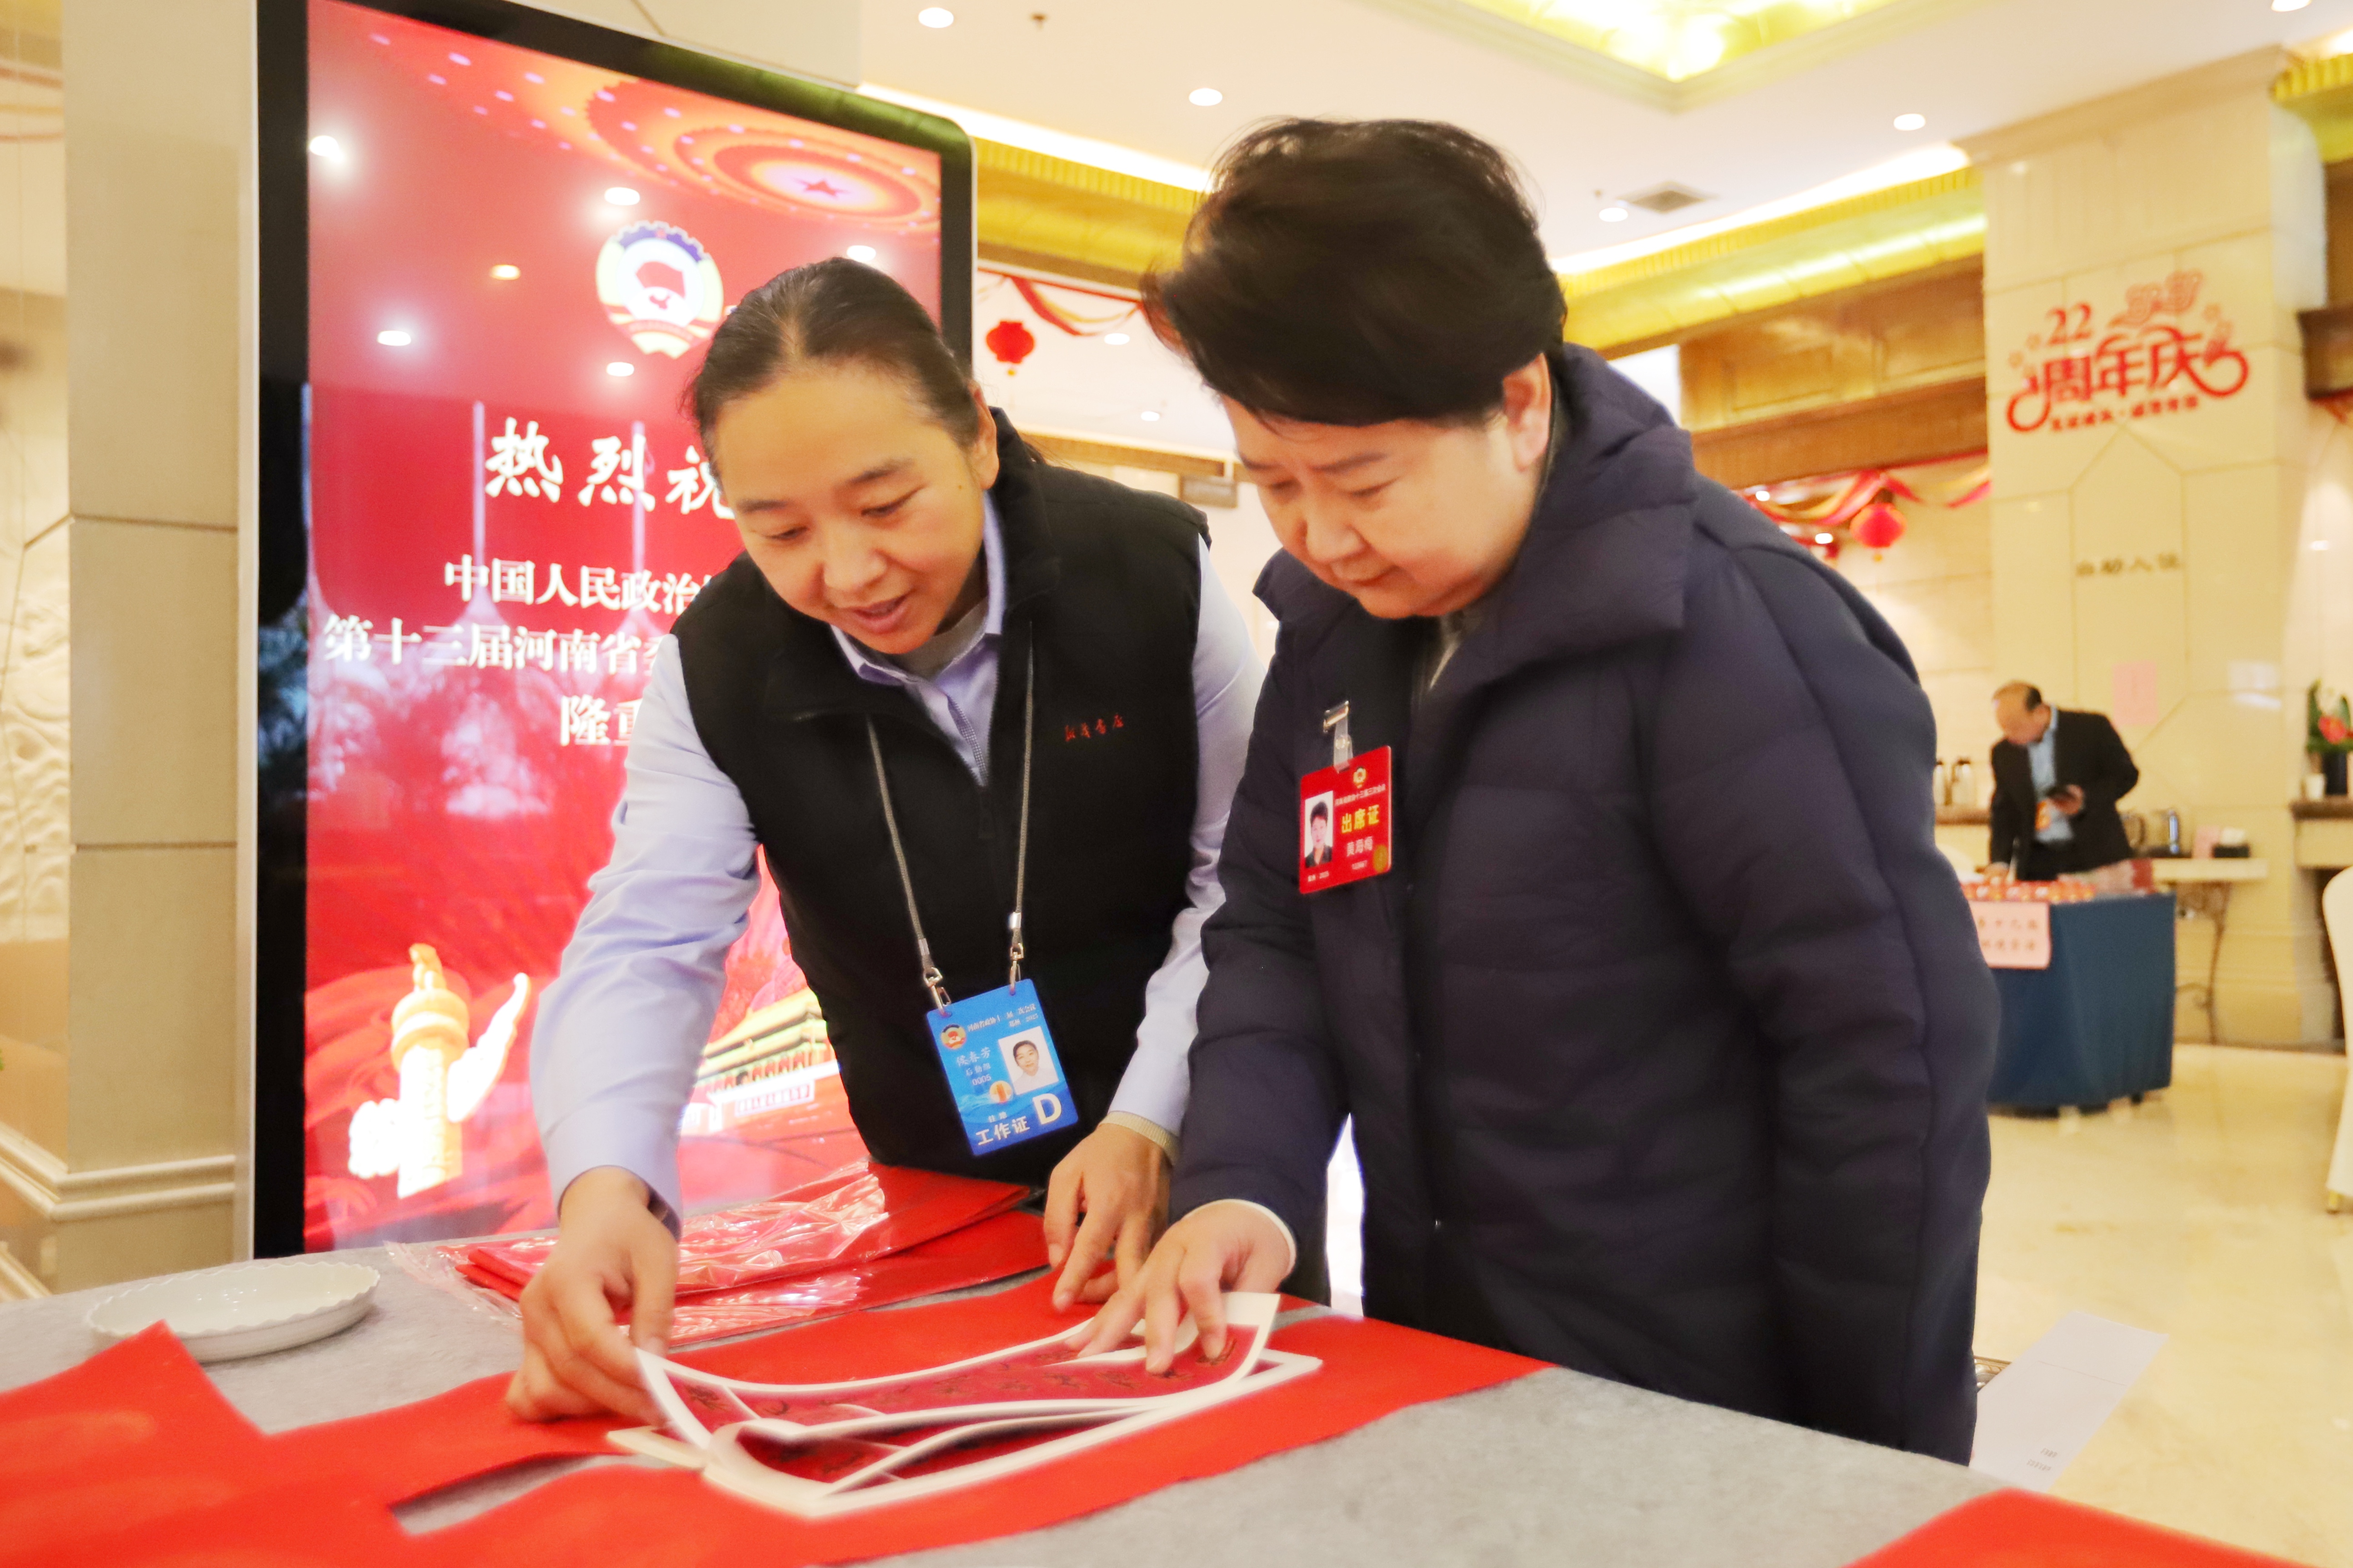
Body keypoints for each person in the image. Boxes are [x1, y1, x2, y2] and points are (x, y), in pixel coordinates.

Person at [1078, 119, 1998, 1463]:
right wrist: (1245, 1186)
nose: (1320, 536)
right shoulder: (1336, 639)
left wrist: (1873, 1455)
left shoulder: (1735, 631)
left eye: (1362, 480)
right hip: (1448, 1353)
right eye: (1271, 483)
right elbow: (1277, 932)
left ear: (1517, 404)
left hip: (1700, 1397)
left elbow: (1887, 1060)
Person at [508, 260, 1264, 1423]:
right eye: (781, 530)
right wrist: (606, 1189)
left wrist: (1149, 1116)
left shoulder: (1151, 574)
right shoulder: (715, 666)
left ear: (976, 436)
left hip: (1204, 1154)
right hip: (939, 1190)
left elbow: (1242, 882)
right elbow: (645, 939)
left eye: (885, 503)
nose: (850, 573)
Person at [1988, 682, 2140, 882]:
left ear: (2040, 712)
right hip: (2038, 860)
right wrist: (2000, 861)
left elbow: (2126, 775)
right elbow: (2004, 810)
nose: (2011, 737)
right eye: (2005, 728)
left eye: (2016, 727)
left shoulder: (2091, 729)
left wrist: (2085, 798)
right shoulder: (2004, 752)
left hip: (2094, 854)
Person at [1302, 796, 1334, 868]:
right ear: (1311, 831)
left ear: (1326, 828)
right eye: (1315, 829)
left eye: (1322, 827)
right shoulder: (1306, 862)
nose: (1318, 834)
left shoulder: (1334, 853)